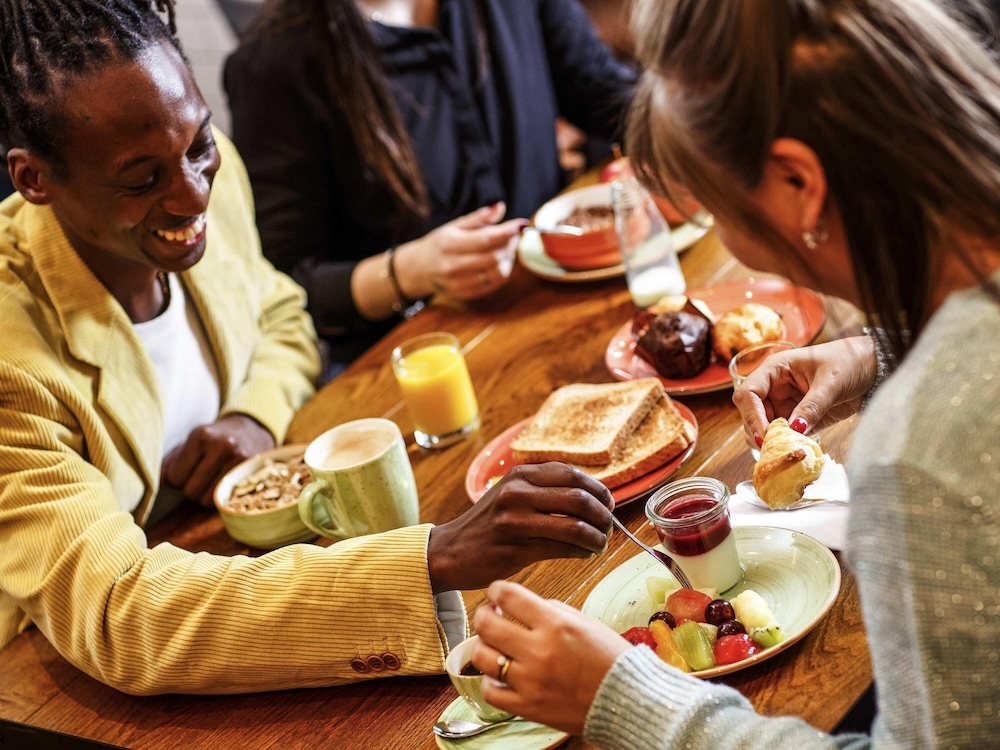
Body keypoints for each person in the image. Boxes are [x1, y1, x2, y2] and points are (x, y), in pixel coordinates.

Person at [0, 0, 614, 695]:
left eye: (199, 145)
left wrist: (254, 417)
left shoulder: (206, 173)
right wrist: (432, 557)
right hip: (56, 684)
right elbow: (119, 610)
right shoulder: (10, 354)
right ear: (33, 180)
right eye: (143, 180)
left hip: (242, 557)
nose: (194, 194)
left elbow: (282, 313)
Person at [469, 0, 1000, 746]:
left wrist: (621, 697)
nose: (723, 235)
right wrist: (881, 352)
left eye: (714, 207)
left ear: (797, 183)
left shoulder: (925, 452)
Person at [223, 0, 637, 369]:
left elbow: (604, 93)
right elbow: (285, 286)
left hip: (571, 298)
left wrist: (685, 121)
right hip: (427, 357)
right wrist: (409, 270)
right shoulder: (273, 62)